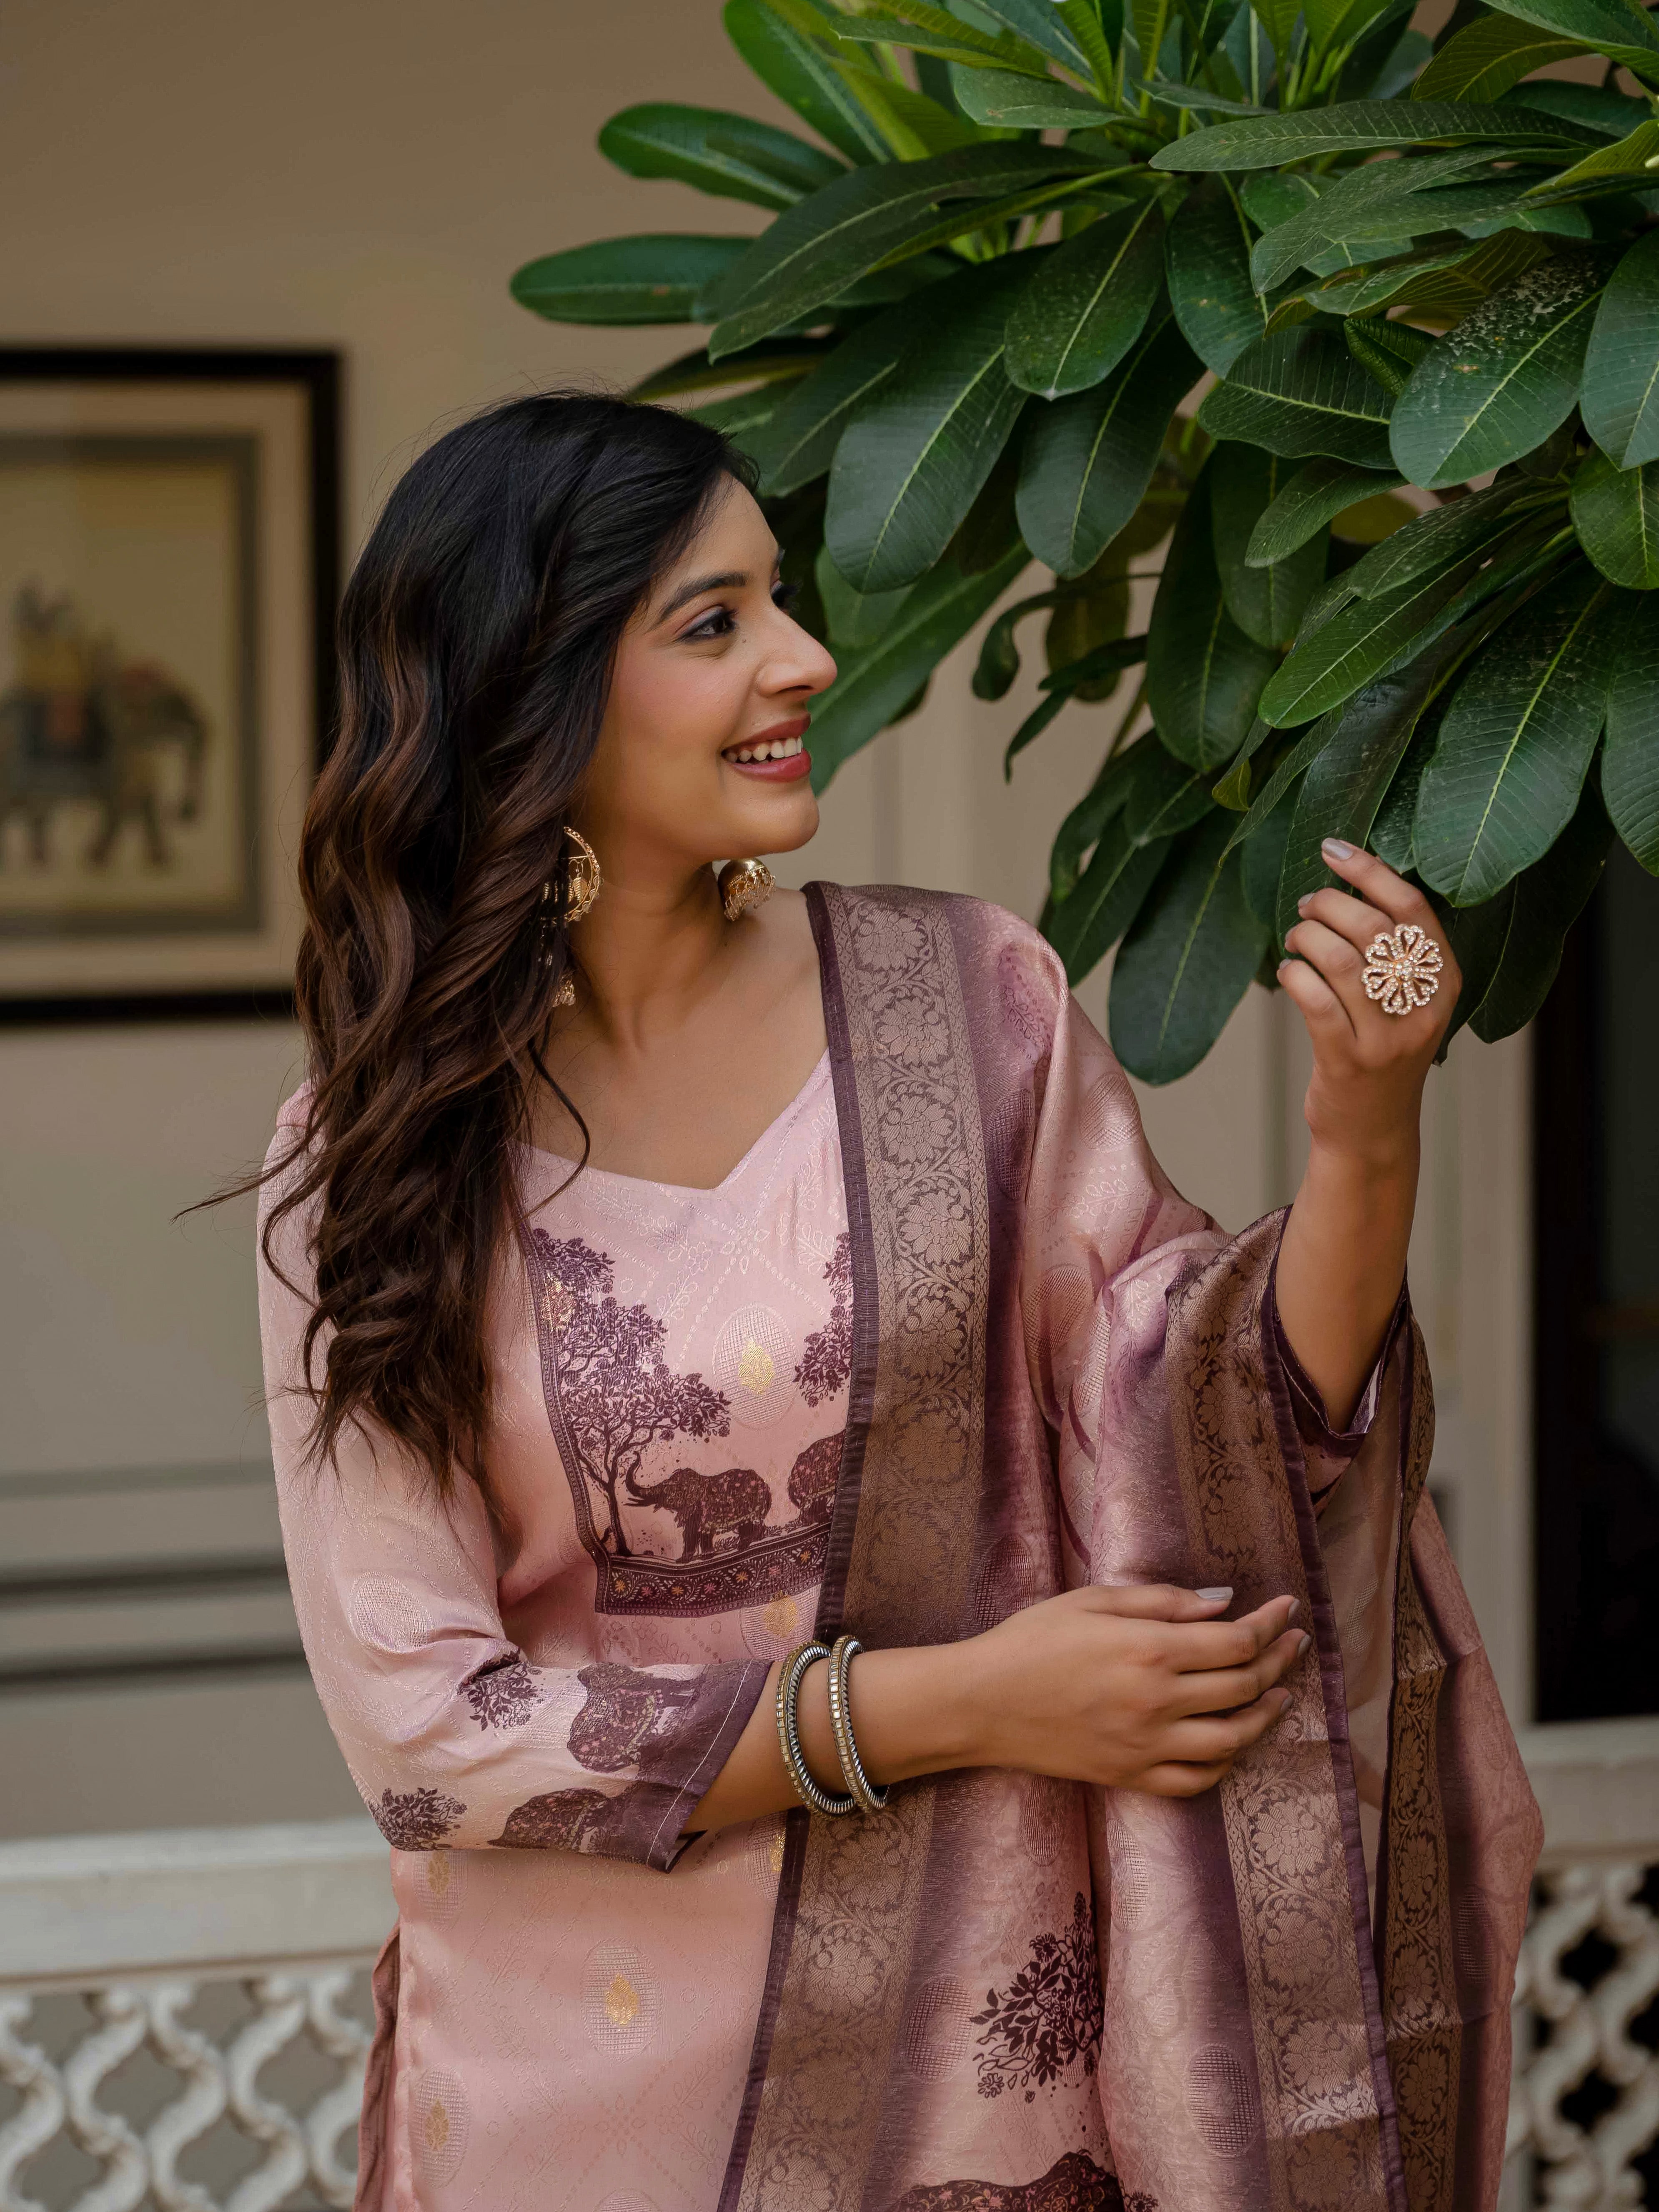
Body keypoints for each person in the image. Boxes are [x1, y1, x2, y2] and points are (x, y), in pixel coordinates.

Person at [254, 392, 1540, 2212]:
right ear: (534, 692)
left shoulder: (964, 1002)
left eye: (778, 599)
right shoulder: (374, 1158)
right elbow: (426, 1730)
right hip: (581, 2103)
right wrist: (966, 1701)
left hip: (971, 2067)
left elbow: (1220, 1422)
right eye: (713, 623)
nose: (802, 659)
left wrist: (1367, 1127)